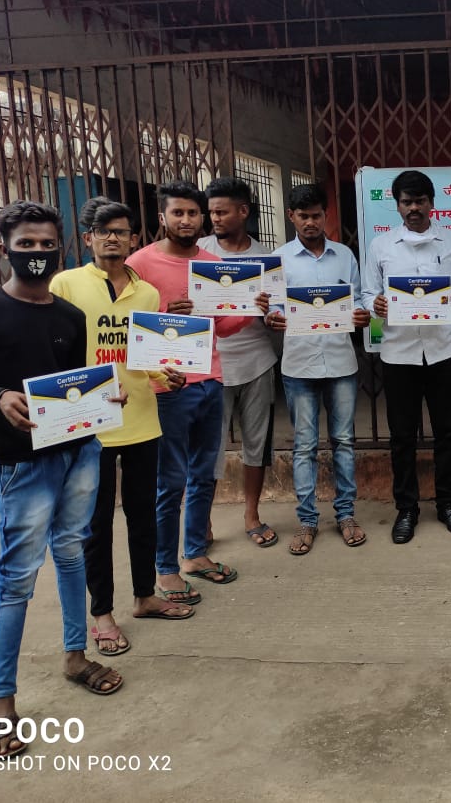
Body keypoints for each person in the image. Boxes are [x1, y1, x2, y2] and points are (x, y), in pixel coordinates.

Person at [0, 201, 124, 759]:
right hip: (21, 465)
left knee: (73, 553)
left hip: (79, 453)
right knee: (17, 581)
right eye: (25, 244)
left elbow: (73, 386)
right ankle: (2, 706)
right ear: (5, 246)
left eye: (46, 244)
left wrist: (105, 400)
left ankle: (76, 657)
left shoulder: (71, 318)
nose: (36, 253)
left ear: (61, 247)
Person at [50, 197, 194, 659]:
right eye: (104, 231)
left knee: (142, 514)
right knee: (95, 524)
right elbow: (57, 353)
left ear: (134, 239)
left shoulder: (146, 293)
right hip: (90, 423)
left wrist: (165, 375)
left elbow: (143, 356)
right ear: (88, 237)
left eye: (121, 231)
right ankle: (102, 614)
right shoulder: (65, 285)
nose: (113, 238)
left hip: (141, 419)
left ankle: (145, 596)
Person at [127, 181, 259, 604]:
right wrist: (165, 314)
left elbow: (222, 327)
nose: (186, 220)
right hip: (166, 387)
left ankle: (195, 555)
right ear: (162, 217)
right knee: (170, 482)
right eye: (177, 213)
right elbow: (126, 325)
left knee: (204, 475)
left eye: (193, 213)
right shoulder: (139, 263)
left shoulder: (210, 264)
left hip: (211, 380)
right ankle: (165, 568)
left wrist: (249, 309)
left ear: (203, 218)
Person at [362, 170, 451, 543]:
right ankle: (406, 509)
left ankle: (447, 504)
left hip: (445, 350)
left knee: (447, 433)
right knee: (402, 436)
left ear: (431, 204)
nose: (414, 208)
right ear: (397, 206)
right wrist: (376, 305)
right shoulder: (381, 246)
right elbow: (367, 293)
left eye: (420, 201)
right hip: (399, 354)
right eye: (407, 202)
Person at [266, 183, 371, 555]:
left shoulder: (344, 255)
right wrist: (272, 317)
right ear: (291, 217)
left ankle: (346, 514)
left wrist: (361, 313)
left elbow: (358, 298)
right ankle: (307, 520)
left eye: (316, 215)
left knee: (343, 442)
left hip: (340, 362)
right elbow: (272, 306)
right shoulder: (278, 259)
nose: (310, 222)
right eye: (303, 216)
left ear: (326, 215)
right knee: (305, 446)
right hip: (299, 364)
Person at [198, 177, 280, 549]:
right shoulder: (199, 253)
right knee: (208, 447)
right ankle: (202, 521)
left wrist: (273, 314)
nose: (214, 218)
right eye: (211, 212)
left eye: (222, 211)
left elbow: (278, 310)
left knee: (256, 444)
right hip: (210, 365)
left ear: (243, 211)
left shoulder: (267, 258)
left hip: (257, 361)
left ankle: (251, 515)